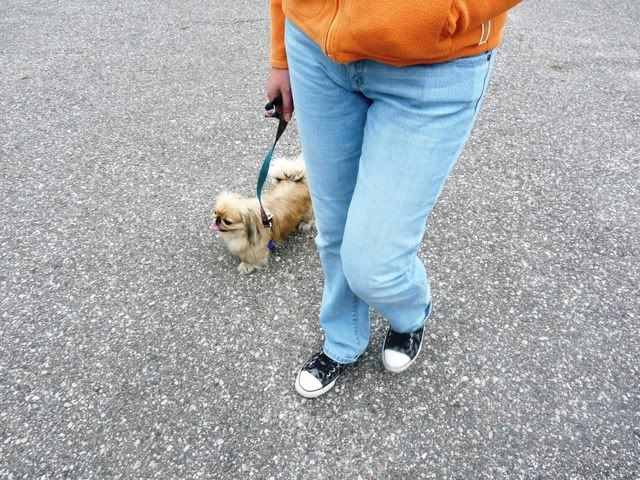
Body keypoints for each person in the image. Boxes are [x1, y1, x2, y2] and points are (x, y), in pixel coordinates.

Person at [267, 0, 522, 398]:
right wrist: (281, 53)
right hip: (315, 48)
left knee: (375, 262)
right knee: (334, 228)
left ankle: (410, 313)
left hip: (432, 67)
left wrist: (442, 13)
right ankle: (343, 339)